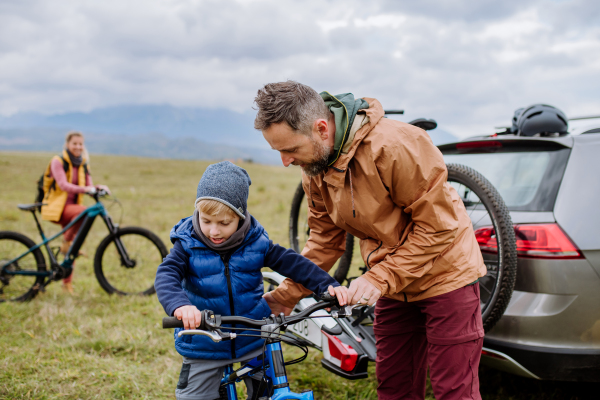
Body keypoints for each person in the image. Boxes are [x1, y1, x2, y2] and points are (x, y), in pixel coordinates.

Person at [254, 81, 487, 400]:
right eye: (278, 151)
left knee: (453, 392)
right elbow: (324, 241)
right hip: (394, 284)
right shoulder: (315, 168)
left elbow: (440, 228)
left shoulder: (396, 146)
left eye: (290, 150)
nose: (285, 161)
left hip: (446, 277)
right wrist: (287, 295)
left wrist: (379, 277)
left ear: (322, 128)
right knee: (394, 389)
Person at [154, 161, 348, 400]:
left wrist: (326, 285)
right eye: (206, 221)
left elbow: (293, 263)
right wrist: (181, 306)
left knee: (266, 390)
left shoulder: (257, 242)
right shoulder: (186, 244)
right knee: (195, 396)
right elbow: (166, 274)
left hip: (252, 335)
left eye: (224, 223)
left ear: (240, 216)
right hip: (204, 342)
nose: (213, 231)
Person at [40, 131, 110, 293]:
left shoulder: (83, 163)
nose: (78, 147)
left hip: (73, 209)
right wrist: (86, 189)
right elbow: (63, 185)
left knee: (73, 246)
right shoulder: (58, 161)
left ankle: (67, 283)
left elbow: (90, 186)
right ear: (67, 145)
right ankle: (66, 243)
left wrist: (99, 188)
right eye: (74, 144)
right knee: (84, 215)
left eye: (80, 144)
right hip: (57, 207)